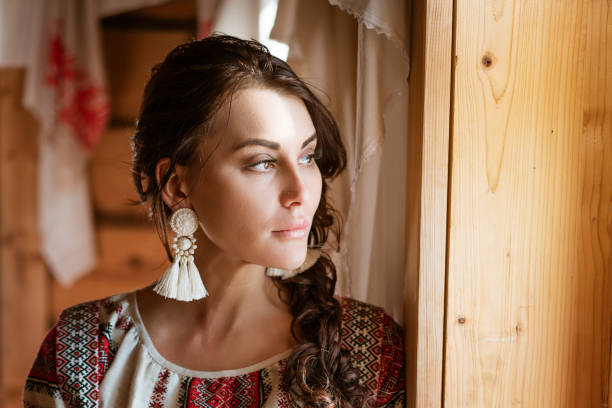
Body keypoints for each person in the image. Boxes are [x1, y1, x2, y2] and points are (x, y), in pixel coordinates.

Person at [23, 34, 405, 407]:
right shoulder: (83, 350)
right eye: (263, 162)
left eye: (307, 157)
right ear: (176, 186)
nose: (301, 193)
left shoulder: (367, 348)